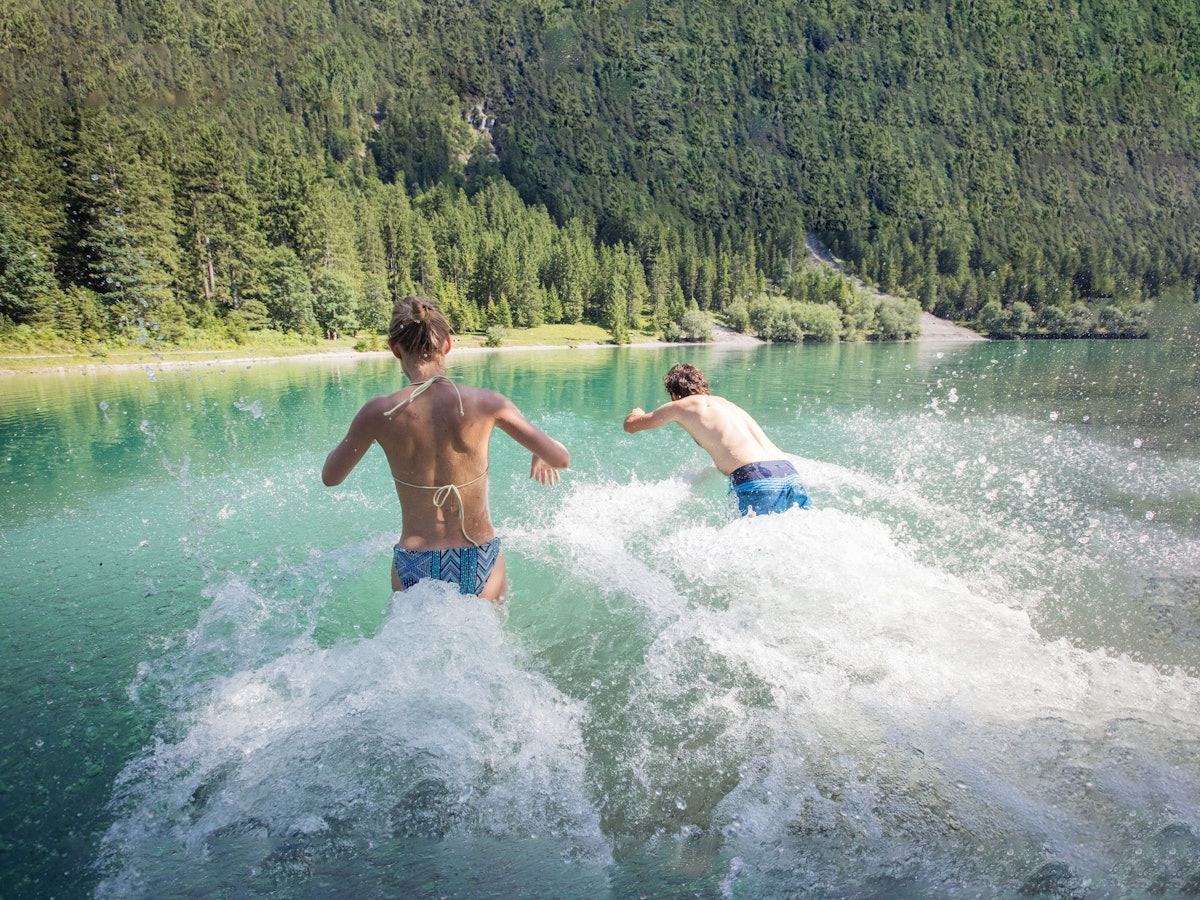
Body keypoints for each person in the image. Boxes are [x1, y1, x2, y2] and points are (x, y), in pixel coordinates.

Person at [323, 296, 570, 602]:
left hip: (414, 561)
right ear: (448, 345)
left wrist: (369, 431)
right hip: (479, 557)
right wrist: (541, 451)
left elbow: (331, 477)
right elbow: (561, 459)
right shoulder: (488, 403)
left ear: (395, 349)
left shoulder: (380, 412)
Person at [623, 362, 811, 516]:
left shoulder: (681, 405)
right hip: (789, 473)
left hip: (756, 478)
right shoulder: (726, 404)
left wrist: (636, 413)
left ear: (674, 394)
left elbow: (631, 426)